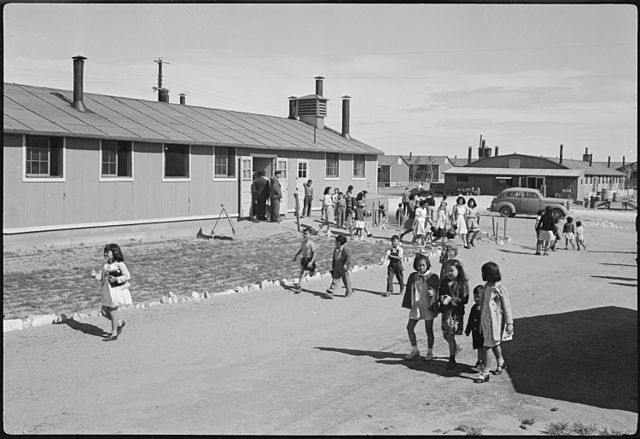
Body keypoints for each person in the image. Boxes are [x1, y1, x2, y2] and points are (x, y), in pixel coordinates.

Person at [474, 262, 514, 383]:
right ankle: (501, 362)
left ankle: (485, 372)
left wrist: (509, 323)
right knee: (494, 344)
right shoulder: (486, 286)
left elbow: (506, 306)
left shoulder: (500, 289)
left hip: (495, 323)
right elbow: (483, 303)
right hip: (486, 321)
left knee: (487, 346)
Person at [401, 253, 440, 361]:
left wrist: (434, 293)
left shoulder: (433, 276)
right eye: (419, 265)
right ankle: (415, 350)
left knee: (429, 330)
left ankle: (430, 352)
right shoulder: (413, 276)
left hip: (428, 306)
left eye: (423, 265)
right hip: (416, 306)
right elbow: (409, 290)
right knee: (409, 328)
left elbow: (438, 289)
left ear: (427, 265)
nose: (421, 267)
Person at [90, 243, 132, 341]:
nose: (105, 254)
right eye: (104, 252)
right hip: (107, 292)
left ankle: (114, 333)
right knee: (104, 312)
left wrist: (117, 279)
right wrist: (95, 276)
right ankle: (119, 323)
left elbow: (127, 276)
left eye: (107, 252)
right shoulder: (104, 265)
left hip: (116, 292)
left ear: (114, 253)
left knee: (113, 311)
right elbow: (101, 277)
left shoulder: (119, 264)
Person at [439, 259, 469, 369]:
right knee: (446, 335)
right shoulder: (444, 281)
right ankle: (456, 348)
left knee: (450, 335)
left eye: (452, 270)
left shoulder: (463, 283)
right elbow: (441, 293)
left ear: (458, 271)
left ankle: (452, 359)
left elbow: (464, 299)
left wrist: (451, 299)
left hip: (456, 313)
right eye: (447, 270)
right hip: (446, 312)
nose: (449, 273)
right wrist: (441, 298)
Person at [325, 234, 352, 299]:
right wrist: (333, 267)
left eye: (336, 242)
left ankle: (349, 292)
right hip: (337, 266)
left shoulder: (345, 249)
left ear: (339, 242)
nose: (335, 243)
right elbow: (334, 258)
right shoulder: (336, 249)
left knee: (345, 280)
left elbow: (348, 258)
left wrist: (346, 265)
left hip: (343, 266)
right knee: (335, 279)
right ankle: (331, 291)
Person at [465, 285, 485, 370]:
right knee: (479, 347)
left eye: (478, 297)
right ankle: (479, 361)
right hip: (476, 332)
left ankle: (485, 362)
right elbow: (471, 319)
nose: (476, 299)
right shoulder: (474, 307)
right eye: (475, 296)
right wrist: (468, 330)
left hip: (484, 333)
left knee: (485, 348)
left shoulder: (486, 308)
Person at [292, 228, 317, 294]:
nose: (305, 235)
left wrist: (311, 262)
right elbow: (301, 249)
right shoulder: (303, 242)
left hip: (310, 259)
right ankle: (299, 287)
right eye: (304, 234)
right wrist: (296, 255)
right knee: (301, 273)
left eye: (306, 234)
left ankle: (312, 271)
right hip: (304, 259)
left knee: (311, 275)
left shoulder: (311, 243)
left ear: (310, 235)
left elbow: (314, 253)